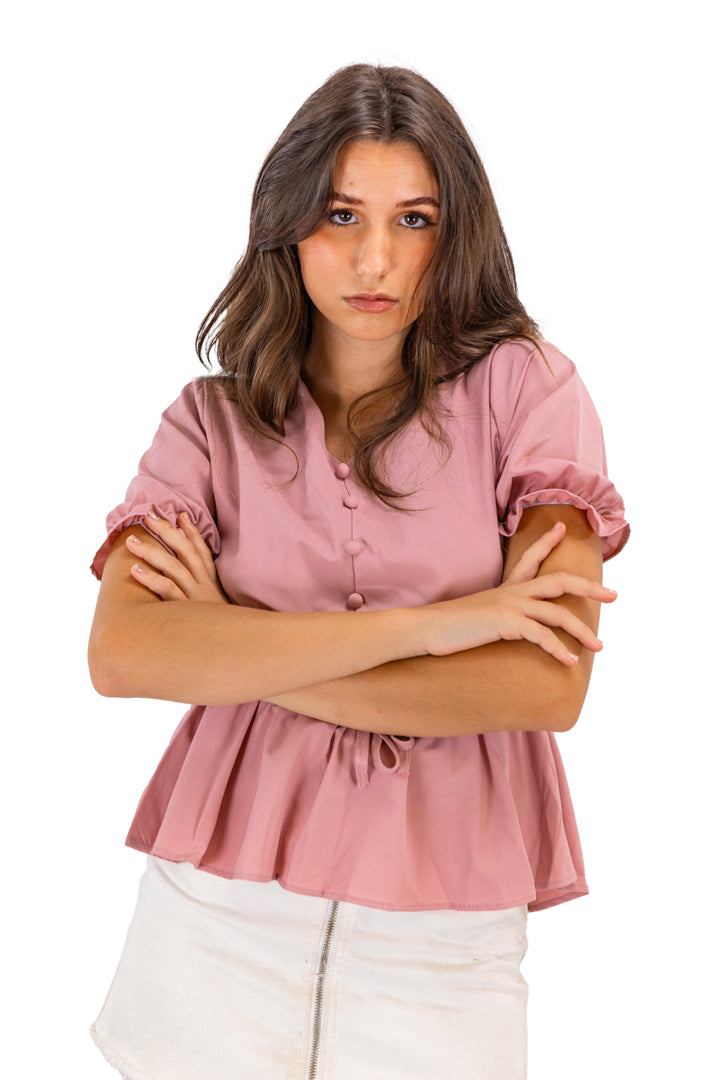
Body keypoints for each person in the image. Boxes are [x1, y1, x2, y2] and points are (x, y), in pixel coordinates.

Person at [87, 63, 629, 1080]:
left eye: (415, 219)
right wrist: (436, 625)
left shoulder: (529, 395)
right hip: (214, 921)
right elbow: (122, 654)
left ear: (455, 231)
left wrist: (234, 641)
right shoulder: (209, 424)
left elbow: (547, 683)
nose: (376, 256)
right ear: (287, 223)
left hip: (441, 942)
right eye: (340, 213)